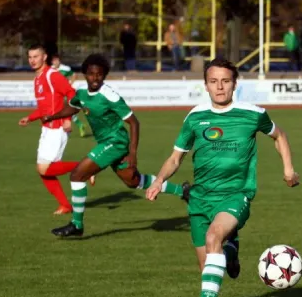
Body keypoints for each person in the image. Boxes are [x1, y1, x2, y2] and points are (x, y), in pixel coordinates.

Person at [146, 58, 300, 297]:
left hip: (236, 194)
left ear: (235, 84)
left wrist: (288, 169)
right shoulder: (194, 117)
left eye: (225, 81)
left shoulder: (252, 113)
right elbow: (175, 158)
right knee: (208, 266)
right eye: (214, 81)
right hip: (199, 199)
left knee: (213, 237)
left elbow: (280, 136)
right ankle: (231, 250)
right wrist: (159, 180)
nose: (220, 87)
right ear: (205, 85)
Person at [41, 53, 190, 237]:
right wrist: (54, 116)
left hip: (116, 142)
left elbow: (134, 122)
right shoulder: (81, 93)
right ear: (85, 74)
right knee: (133, 181)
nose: (95, 78)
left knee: (77, 176)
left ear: (104, 75)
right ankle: (182, 191)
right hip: (107, 142)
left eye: (99, 74)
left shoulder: (109, 95)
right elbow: (74, 106)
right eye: (91, 74)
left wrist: (133, 153)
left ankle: (77, 224)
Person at [18, 44, 83, 216]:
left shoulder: (52, 75)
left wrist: (68, 119)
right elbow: (44, 108)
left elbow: (72, 94)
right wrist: (30, 118)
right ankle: (65, 205)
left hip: (58, 127)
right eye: (30, 57)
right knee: (43, 171)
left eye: (36, 56)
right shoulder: (38, 78)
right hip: (46, 128)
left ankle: (84, 167)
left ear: (44, 57)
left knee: (44, 168)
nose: (32, 60)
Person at [51, 53, 89, 137]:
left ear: (59, 60)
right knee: (67, 110)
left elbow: (74, 75)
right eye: (53, 60)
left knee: (69, 107)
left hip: (67, 91)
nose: (55, 62)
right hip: (59, 93)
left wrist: (69, 84)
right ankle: (80, 125)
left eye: (56, 60)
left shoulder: (65, 68)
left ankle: (84, 109)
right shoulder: (51, 69)